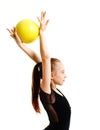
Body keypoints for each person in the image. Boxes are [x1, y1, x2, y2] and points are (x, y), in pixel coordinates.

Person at [7, 11, 71, 130]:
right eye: (62, 72)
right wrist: (41, 33)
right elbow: (45, 58)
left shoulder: (54, 90)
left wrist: (21, 45)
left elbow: (39, 60)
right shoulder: (46, 90)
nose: (65, 75)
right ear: (51, 75)